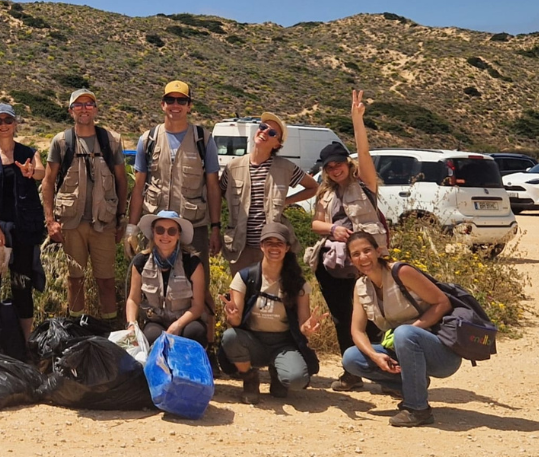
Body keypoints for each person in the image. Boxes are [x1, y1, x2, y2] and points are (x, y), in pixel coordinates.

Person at [126, 80, 221, 359]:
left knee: (200, 288)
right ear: (162, 104)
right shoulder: (148, 139)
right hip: (156, 228)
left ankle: (207, 348)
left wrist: (216, 227)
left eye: (181, 100)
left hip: (194, 226)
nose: (175, 105)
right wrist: (132, 228)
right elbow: (139, 186)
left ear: (190, 106)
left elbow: (213, 186)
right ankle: (145, 341)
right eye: (170, 100)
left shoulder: (203, 139)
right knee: (146, 283)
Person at [308, 90, 387, 392]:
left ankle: (389, 373)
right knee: (343, 318)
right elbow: (316, 223)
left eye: (338, 163)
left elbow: (364, 153)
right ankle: (351, 372)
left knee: (377, 316)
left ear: (347, 162)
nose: (335, 169)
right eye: (329, 166)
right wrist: (332, 229)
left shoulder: (364, 183)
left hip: (365, 263)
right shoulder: (325, 192)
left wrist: (357, 120)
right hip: (333, 266)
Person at [343, 231, 461, 427]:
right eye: (356, 254)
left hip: (441, 353)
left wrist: (410, 331)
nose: (363, 257)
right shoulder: (361, 287)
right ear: (350, 260)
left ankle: (418, 409)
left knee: (404, 333)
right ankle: (413, 385)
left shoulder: (400, 272)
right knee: (351, 358)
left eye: (367, 250)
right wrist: (375, 356)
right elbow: (357, 331)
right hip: (404, 350)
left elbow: (442, 302)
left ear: (378, 251)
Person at [42, 89, 127, 324]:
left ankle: (110, 329)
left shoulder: (111, 141)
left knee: (106, 281)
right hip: (71, 224)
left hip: (104, 223)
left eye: (89, 104)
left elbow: (122, 181)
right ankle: (75, 329)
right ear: (71, 111)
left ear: (96, 109)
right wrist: (50, 221)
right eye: (78, 105)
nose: (84, 109)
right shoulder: (61, 142)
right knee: (75, 280)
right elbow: (48, 181)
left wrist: (121, 218)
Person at [220, 222, 324, 403]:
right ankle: (250, 378)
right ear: (261, 246)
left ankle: (277, 374)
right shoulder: (245, 277)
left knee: (296, 380)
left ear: (287, 248)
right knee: (230, 336)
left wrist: (307, 328)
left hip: (283, 344)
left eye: (279, 243)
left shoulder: (297, 283)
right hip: (253, 341)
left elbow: (302, 324)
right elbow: (236, 322)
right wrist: (233, 316)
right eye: (269, 243)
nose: (274, 247)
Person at [0, 103, 45, 340]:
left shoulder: (29, 152)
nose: (3, 125)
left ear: (15, 123)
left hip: (23, 230)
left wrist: (31, 172)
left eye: (8, 120)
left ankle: (25, 342)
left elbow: (41, 172)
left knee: (22, 285)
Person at [219, 112, 318, 274]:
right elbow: (218, 193)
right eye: (263, 127)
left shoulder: (286, 168)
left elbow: (313, 187)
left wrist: (286, 201)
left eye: (272, 132)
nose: (264, 132)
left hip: (273, 248)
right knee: (241, 288)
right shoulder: (233, 167)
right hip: (240, 248)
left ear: (277, 145)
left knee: (272, 289)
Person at [125, 211, 207, 347]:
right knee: (152, 337)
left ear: (179, 235)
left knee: (195, 332)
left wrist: (178, 325)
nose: (165, 235)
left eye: (171, 231)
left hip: (185, 320)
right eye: (160, 230)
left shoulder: (192, 263)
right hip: (155, 320)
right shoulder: (141, 262)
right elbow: (133, 299)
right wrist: (131, 325)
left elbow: (198, 306)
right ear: (153, 232)